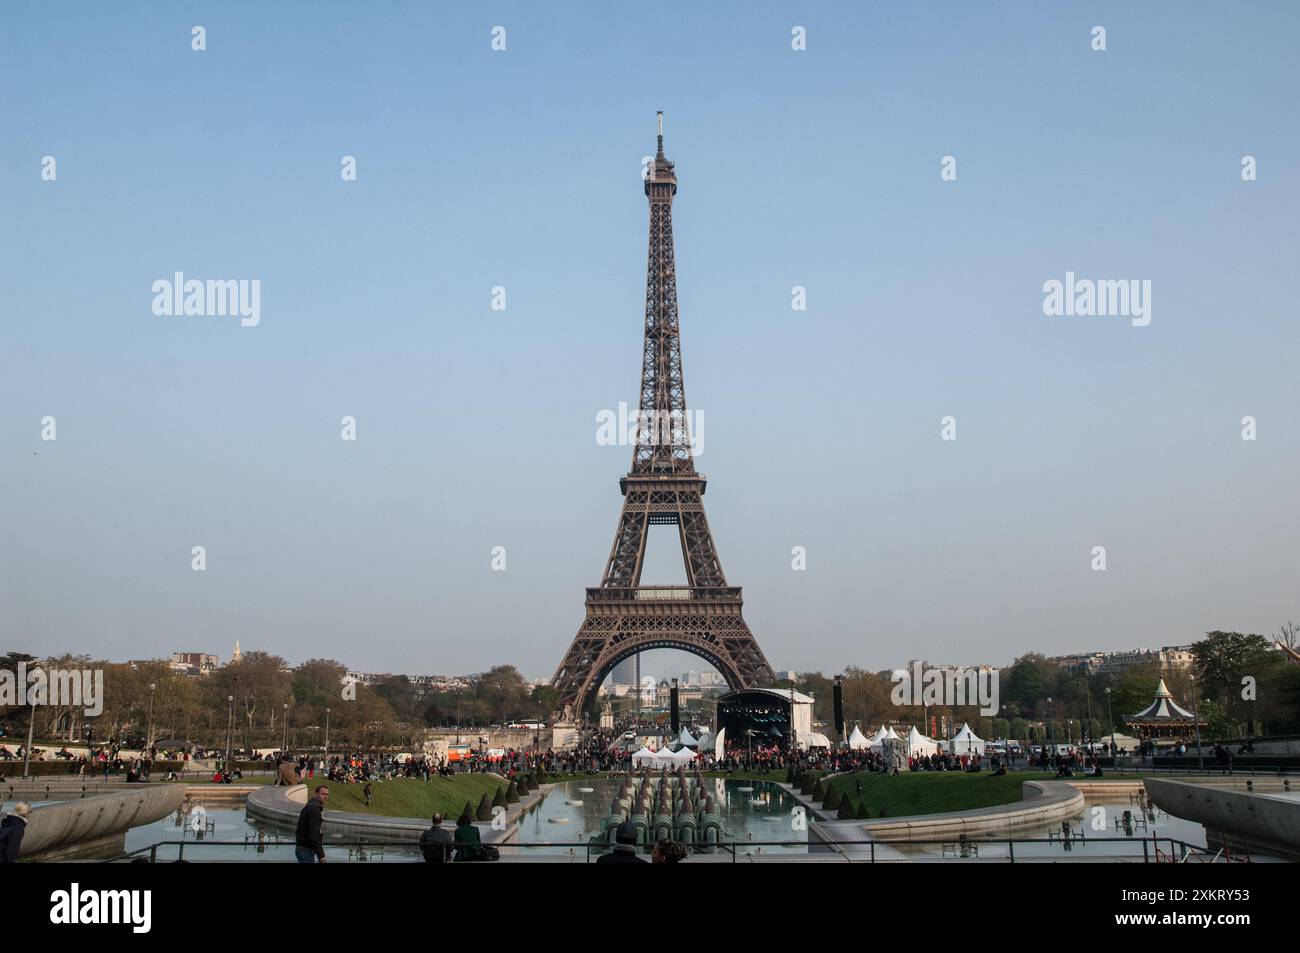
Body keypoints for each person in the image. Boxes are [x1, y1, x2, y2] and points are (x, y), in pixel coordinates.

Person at [295, 785, 329, 863]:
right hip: (306, 850)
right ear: (316, 794)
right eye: (323, 794)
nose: (326, 797)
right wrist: (321, 856)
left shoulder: (311, 806)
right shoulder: (314, 810)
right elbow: (314, 834)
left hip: (303, 848)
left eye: (327, 794)